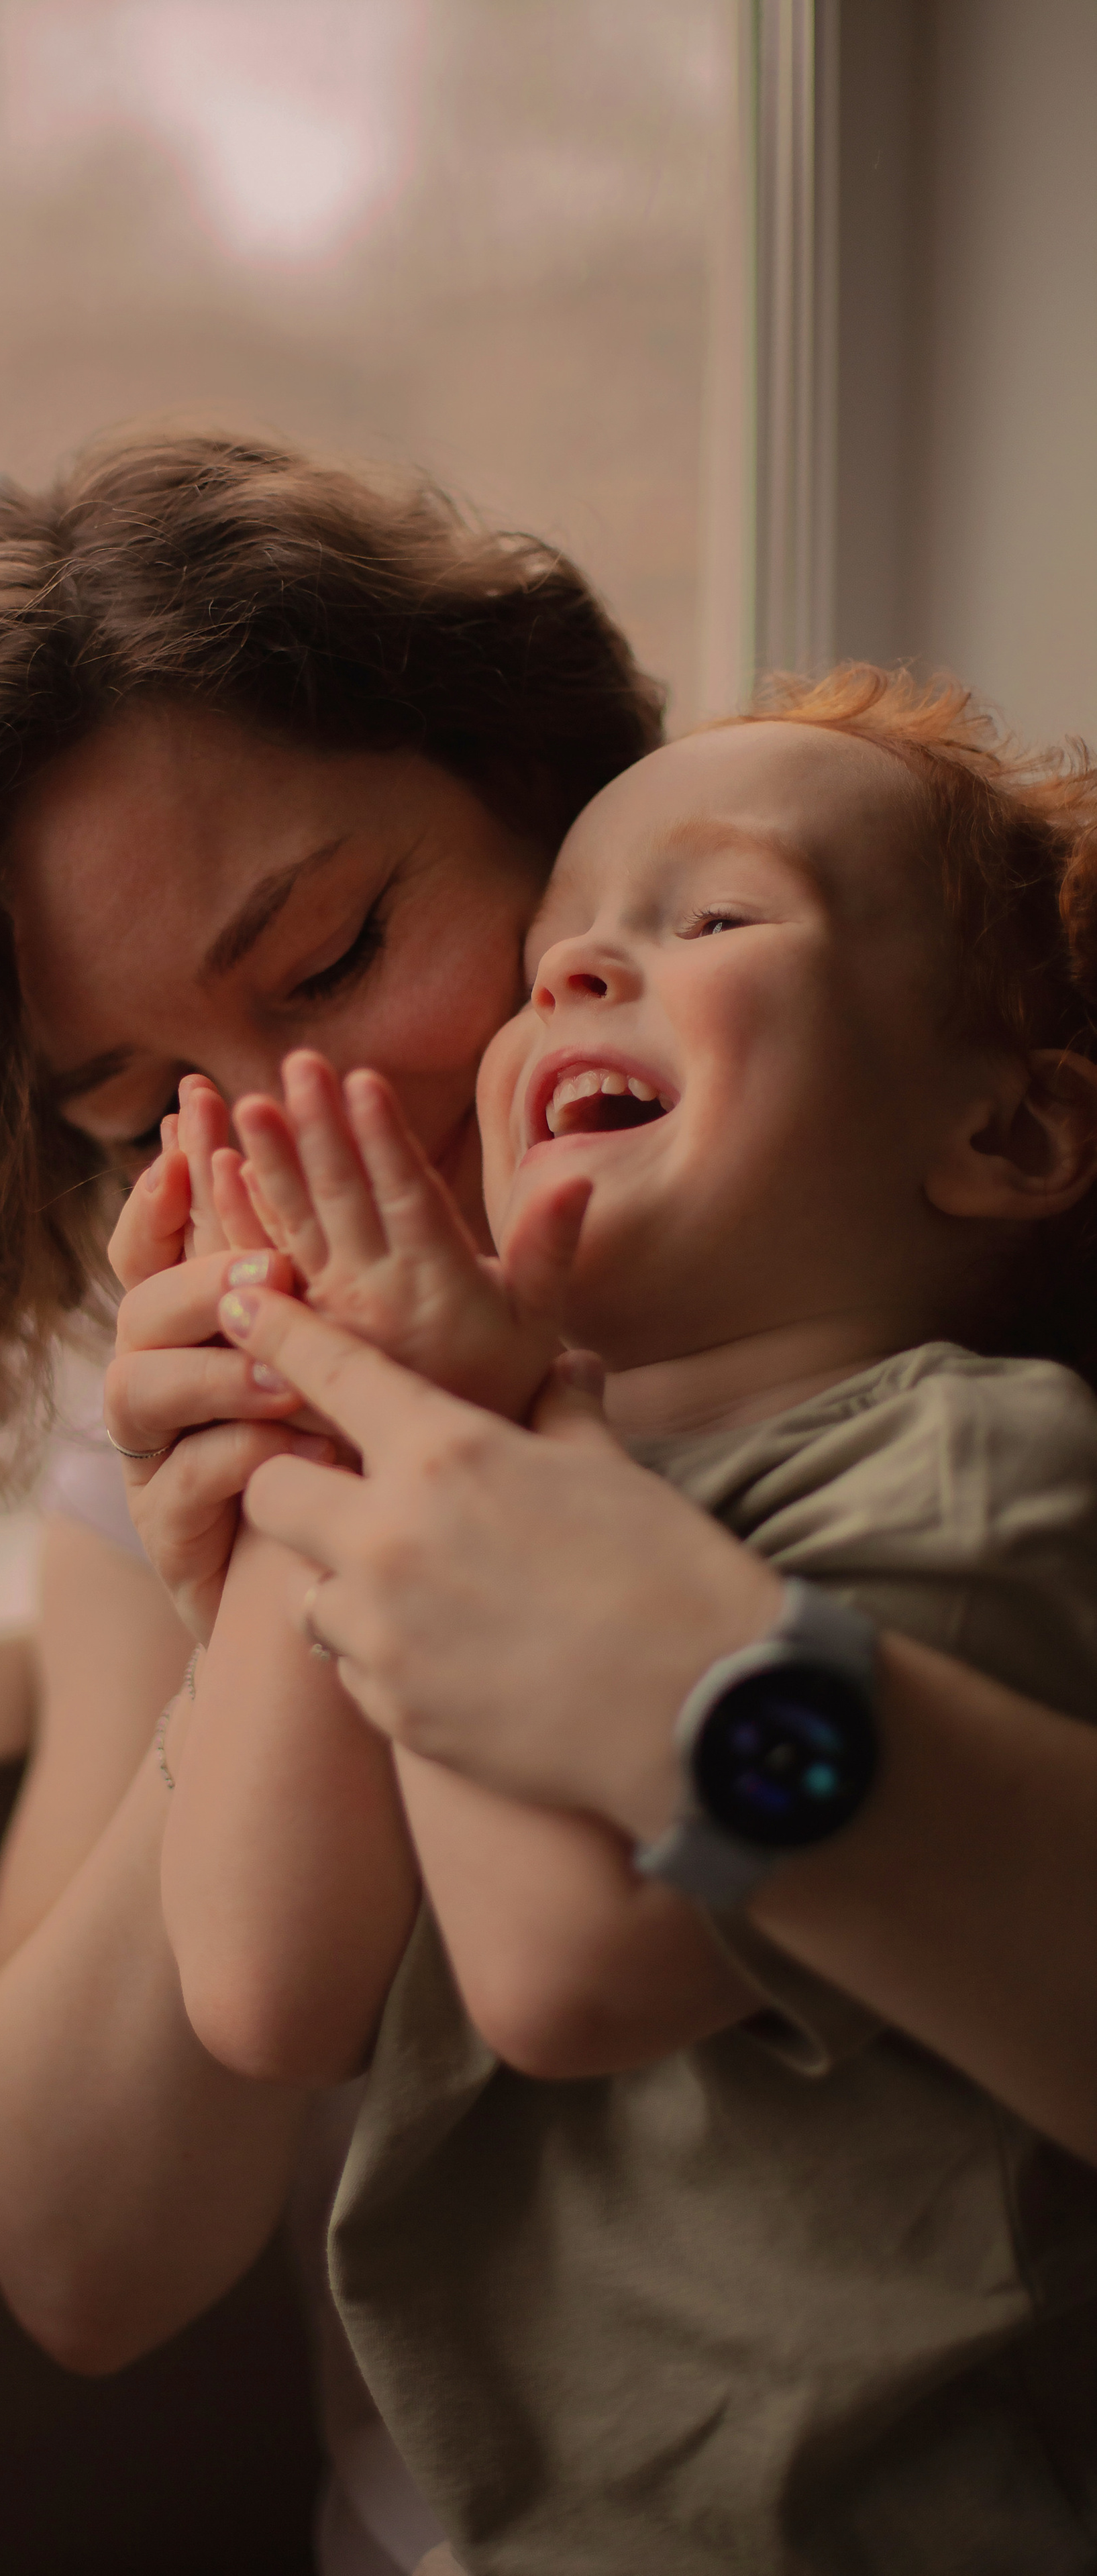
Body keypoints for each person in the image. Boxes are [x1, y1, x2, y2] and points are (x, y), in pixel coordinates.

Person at [0, 426, 667, 2574]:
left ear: (560, 801)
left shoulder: (923, 1272)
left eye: (334, 958)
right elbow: (85, 2263)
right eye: (151, 1101)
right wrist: (259, 1579)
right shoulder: (178, 1416)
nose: (283, 1132)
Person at [178, 666, 1097, 2570]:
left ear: (1003, 1138)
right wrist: (310, 1400)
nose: (584, 973)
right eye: (555, 954)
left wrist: (468, 1420)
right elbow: (267, 1985)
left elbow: (567, 1975)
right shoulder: (515, 1463)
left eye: (714, 917)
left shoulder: (974, 1468)